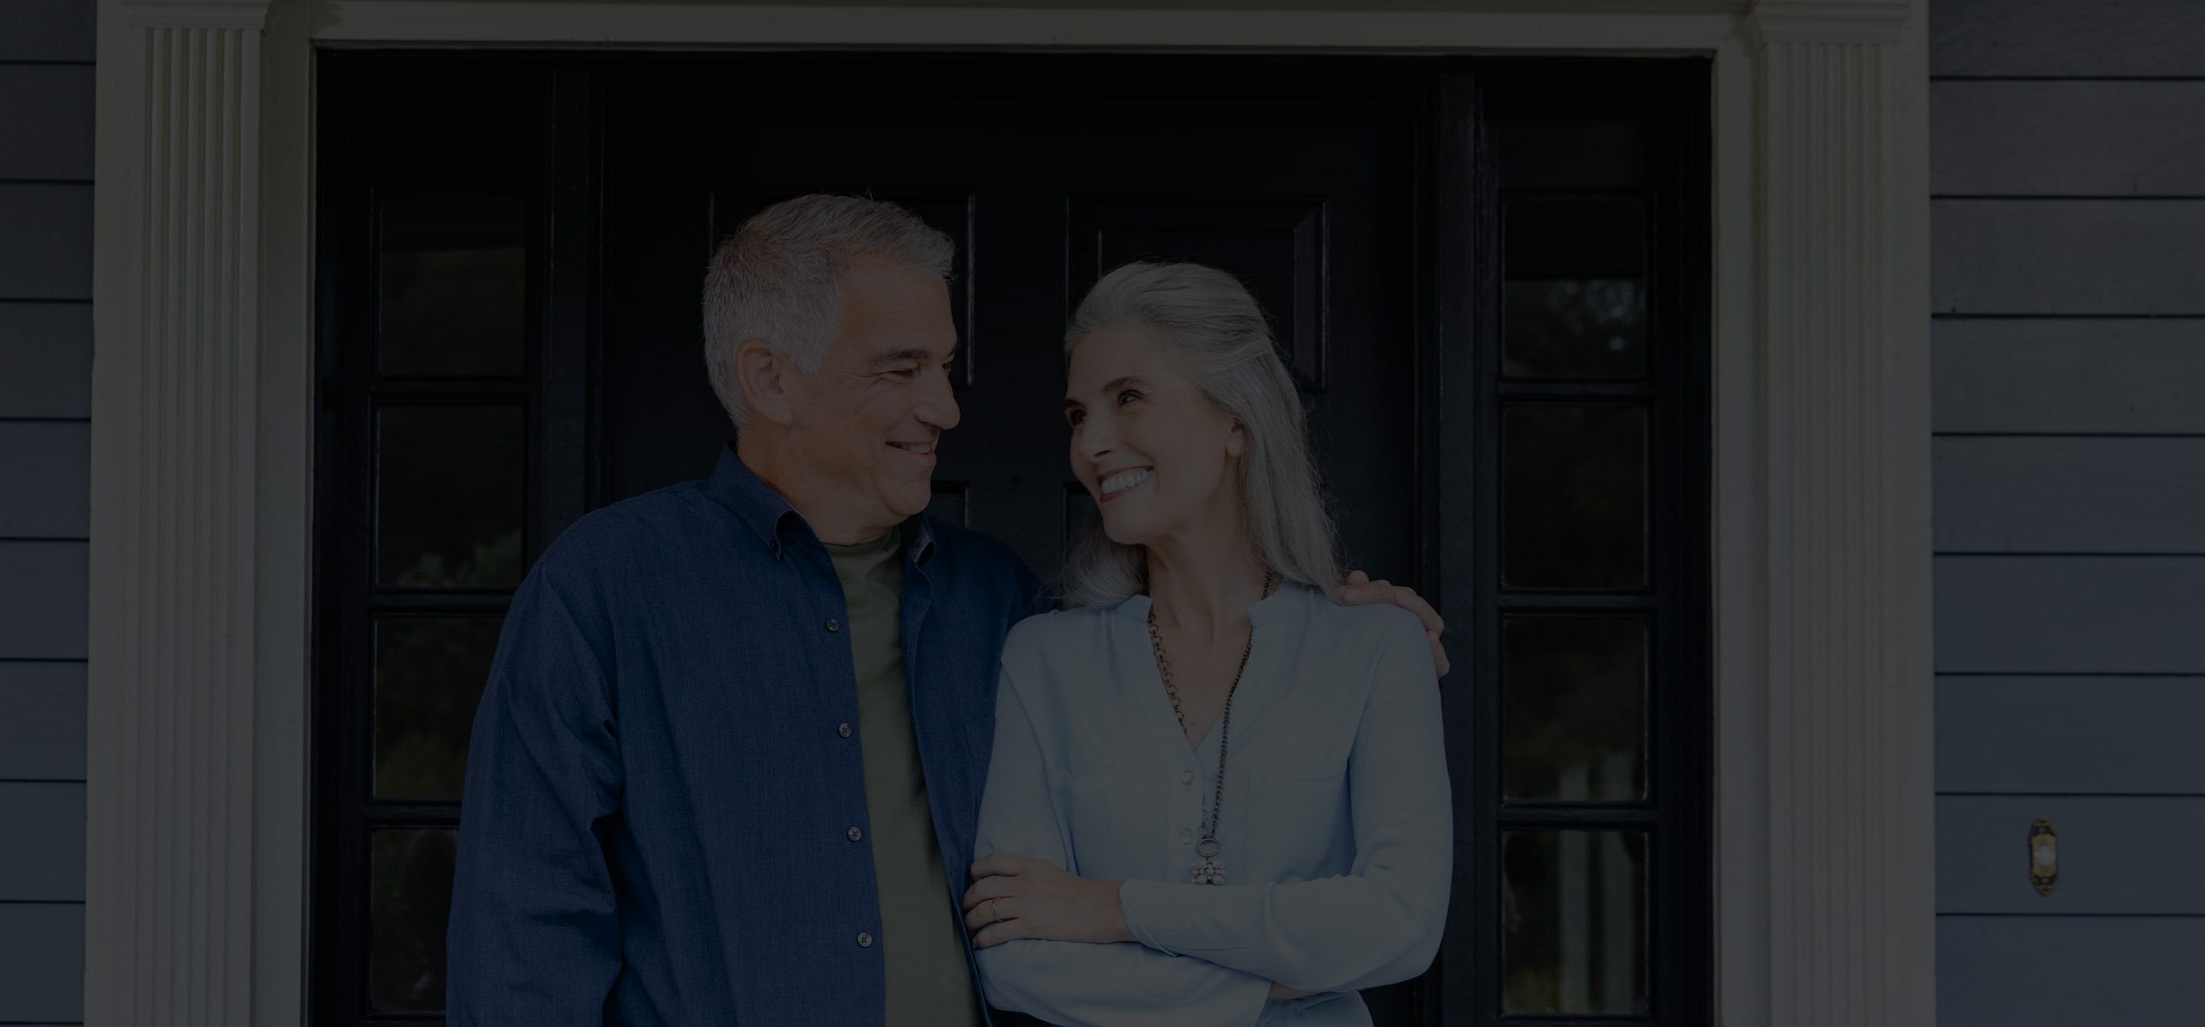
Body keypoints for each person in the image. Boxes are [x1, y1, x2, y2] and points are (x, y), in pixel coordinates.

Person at [445, 196, 1445, 1025]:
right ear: (768, 380)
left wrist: (1362, 628)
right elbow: (527, 931)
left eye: (943, 366)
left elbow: (1182, 653)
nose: (947, 408)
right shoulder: (608, 590)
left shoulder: (995, 602)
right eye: (902, 369)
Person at [964, 262, 1453, 1026]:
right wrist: (1269, 984)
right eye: (1076, 414)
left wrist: (1114, 909)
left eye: (1127, 397)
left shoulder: (1377, 645)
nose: (1092, 441)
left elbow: (1402, 922)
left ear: (1236, 418)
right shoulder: (1042, 659)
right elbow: (1012, 957)